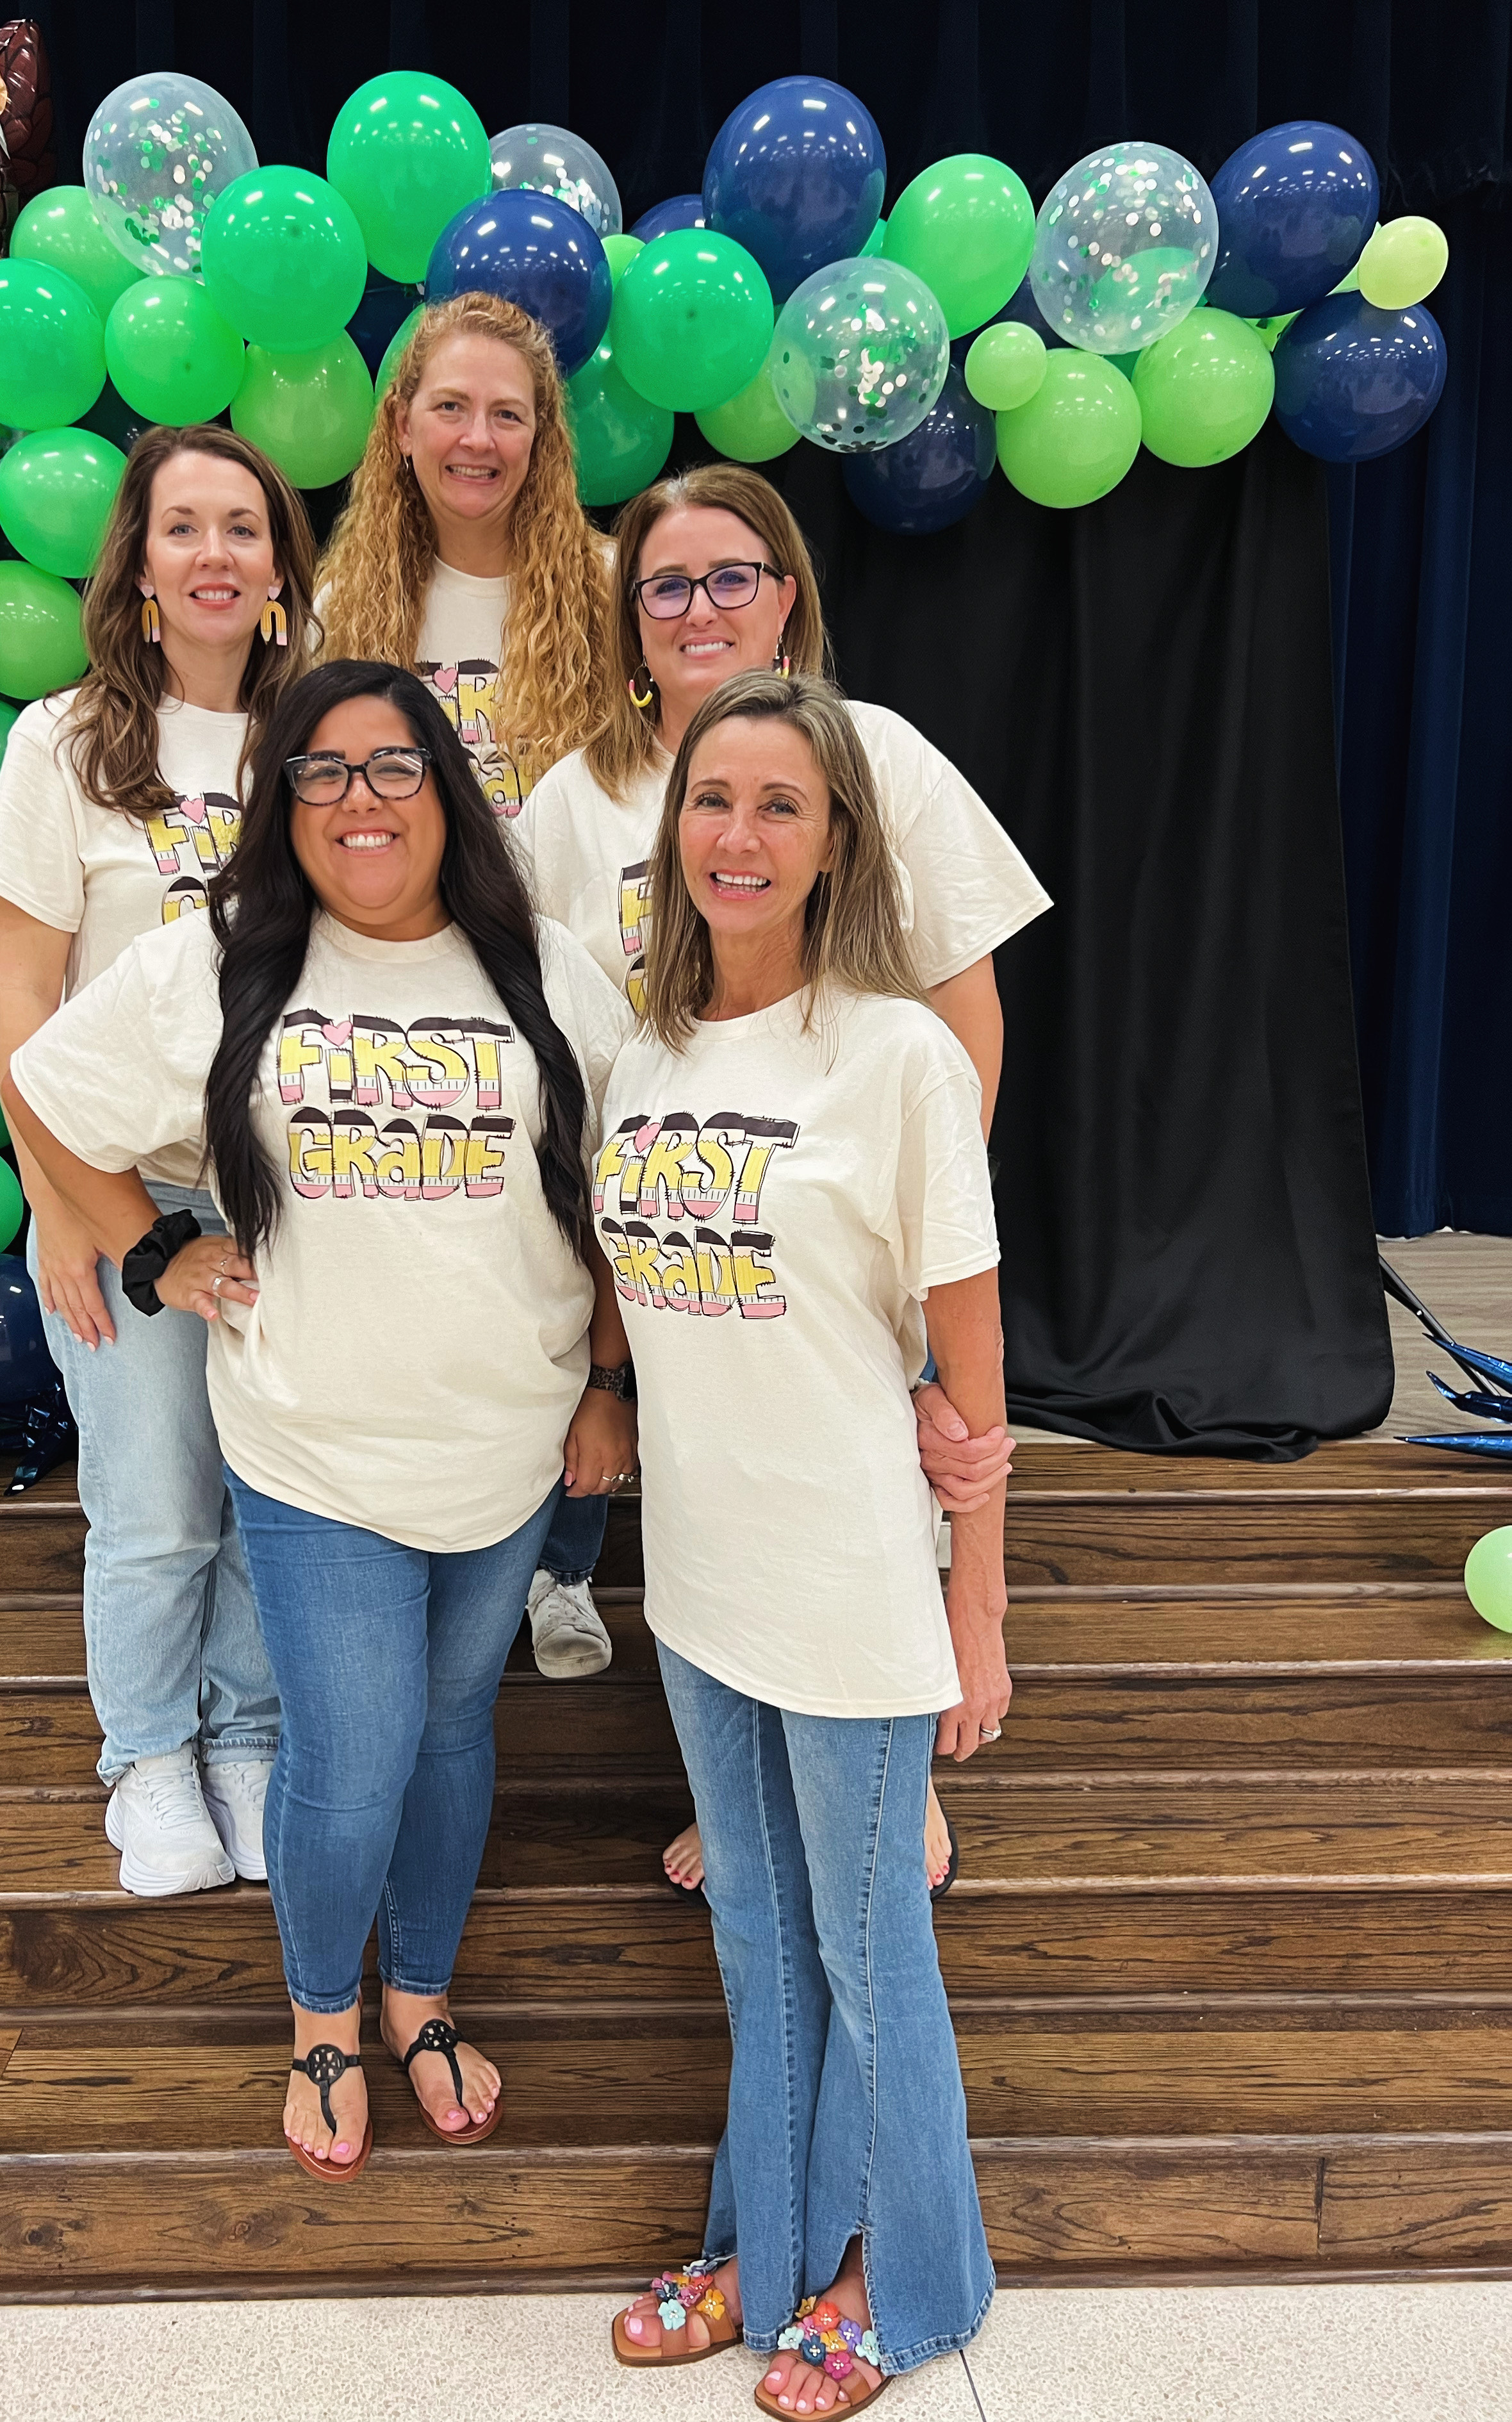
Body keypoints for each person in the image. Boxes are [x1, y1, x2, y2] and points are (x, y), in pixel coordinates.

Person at [4, 659, 636, 2179]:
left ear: (448, 789)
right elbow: (43, 1090)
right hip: (312, 1446)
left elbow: (622, 1196)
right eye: (322, 771)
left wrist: (610, 1388)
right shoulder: (219, 961)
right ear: (281, 801)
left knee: (456, 1735)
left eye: (395, 766)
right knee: (354, 1756)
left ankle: (418, 1997)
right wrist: (152, 1248)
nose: (362, 799)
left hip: (508, 1441)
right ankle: (320, 2022)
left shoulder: (546, 967)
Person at [518, 460, 1046, 1893]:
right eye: (665, 586)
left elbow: (967, 1009)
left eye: (729, 577)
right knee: (710, 1513)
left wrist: (918, 1278)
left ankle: (885, 1786)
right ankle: (745, 1791)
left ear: (786, 598)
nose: (698, 609)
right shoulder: (577, 800)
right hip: (664, 1223)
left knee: (866, 1487)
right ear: (630, 621)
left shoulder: (877, 752)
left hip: (831, 1226)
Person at [606, 671, 1005, 2412]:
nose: (740, 836)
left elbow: (976, 1396)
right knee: (758, 1948)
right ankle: (765, 2253)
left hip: (850, 1579)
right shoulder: (647, 1046)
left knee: (870, 1956)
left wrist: (976, 1621)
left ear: (837, 839)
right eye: (714, 800)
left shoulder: (900, 1051)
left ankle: (913, 2283)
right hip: (697, 1576)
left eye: (782, 804)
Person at [0, 425, 316, 1900]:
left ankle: (244, 1741)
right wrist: (64, 1208)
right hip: (125, 1189)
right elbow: (24, 1006)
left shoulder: (321, 736)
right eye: (186, 529)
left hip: (296, 1192)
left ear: (281, 567)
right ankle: (148, 1761)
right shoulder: (65, 741)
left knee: (268, 1487)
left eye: (244, 528)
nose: (216, 556)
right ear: (141, 565)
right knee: (159, 1499)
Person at [316, 290, 618, 1683]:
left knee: (572, 1258)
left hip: (564, 991)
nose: (479, 436)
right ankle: (428, 1556)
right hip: (402, 996)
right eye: (453, 405)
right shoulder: (343, 598)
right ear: (403, 422)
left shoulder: (607, 587)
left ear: (545, 434)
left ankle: (567, 1561)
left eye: (509, 412)